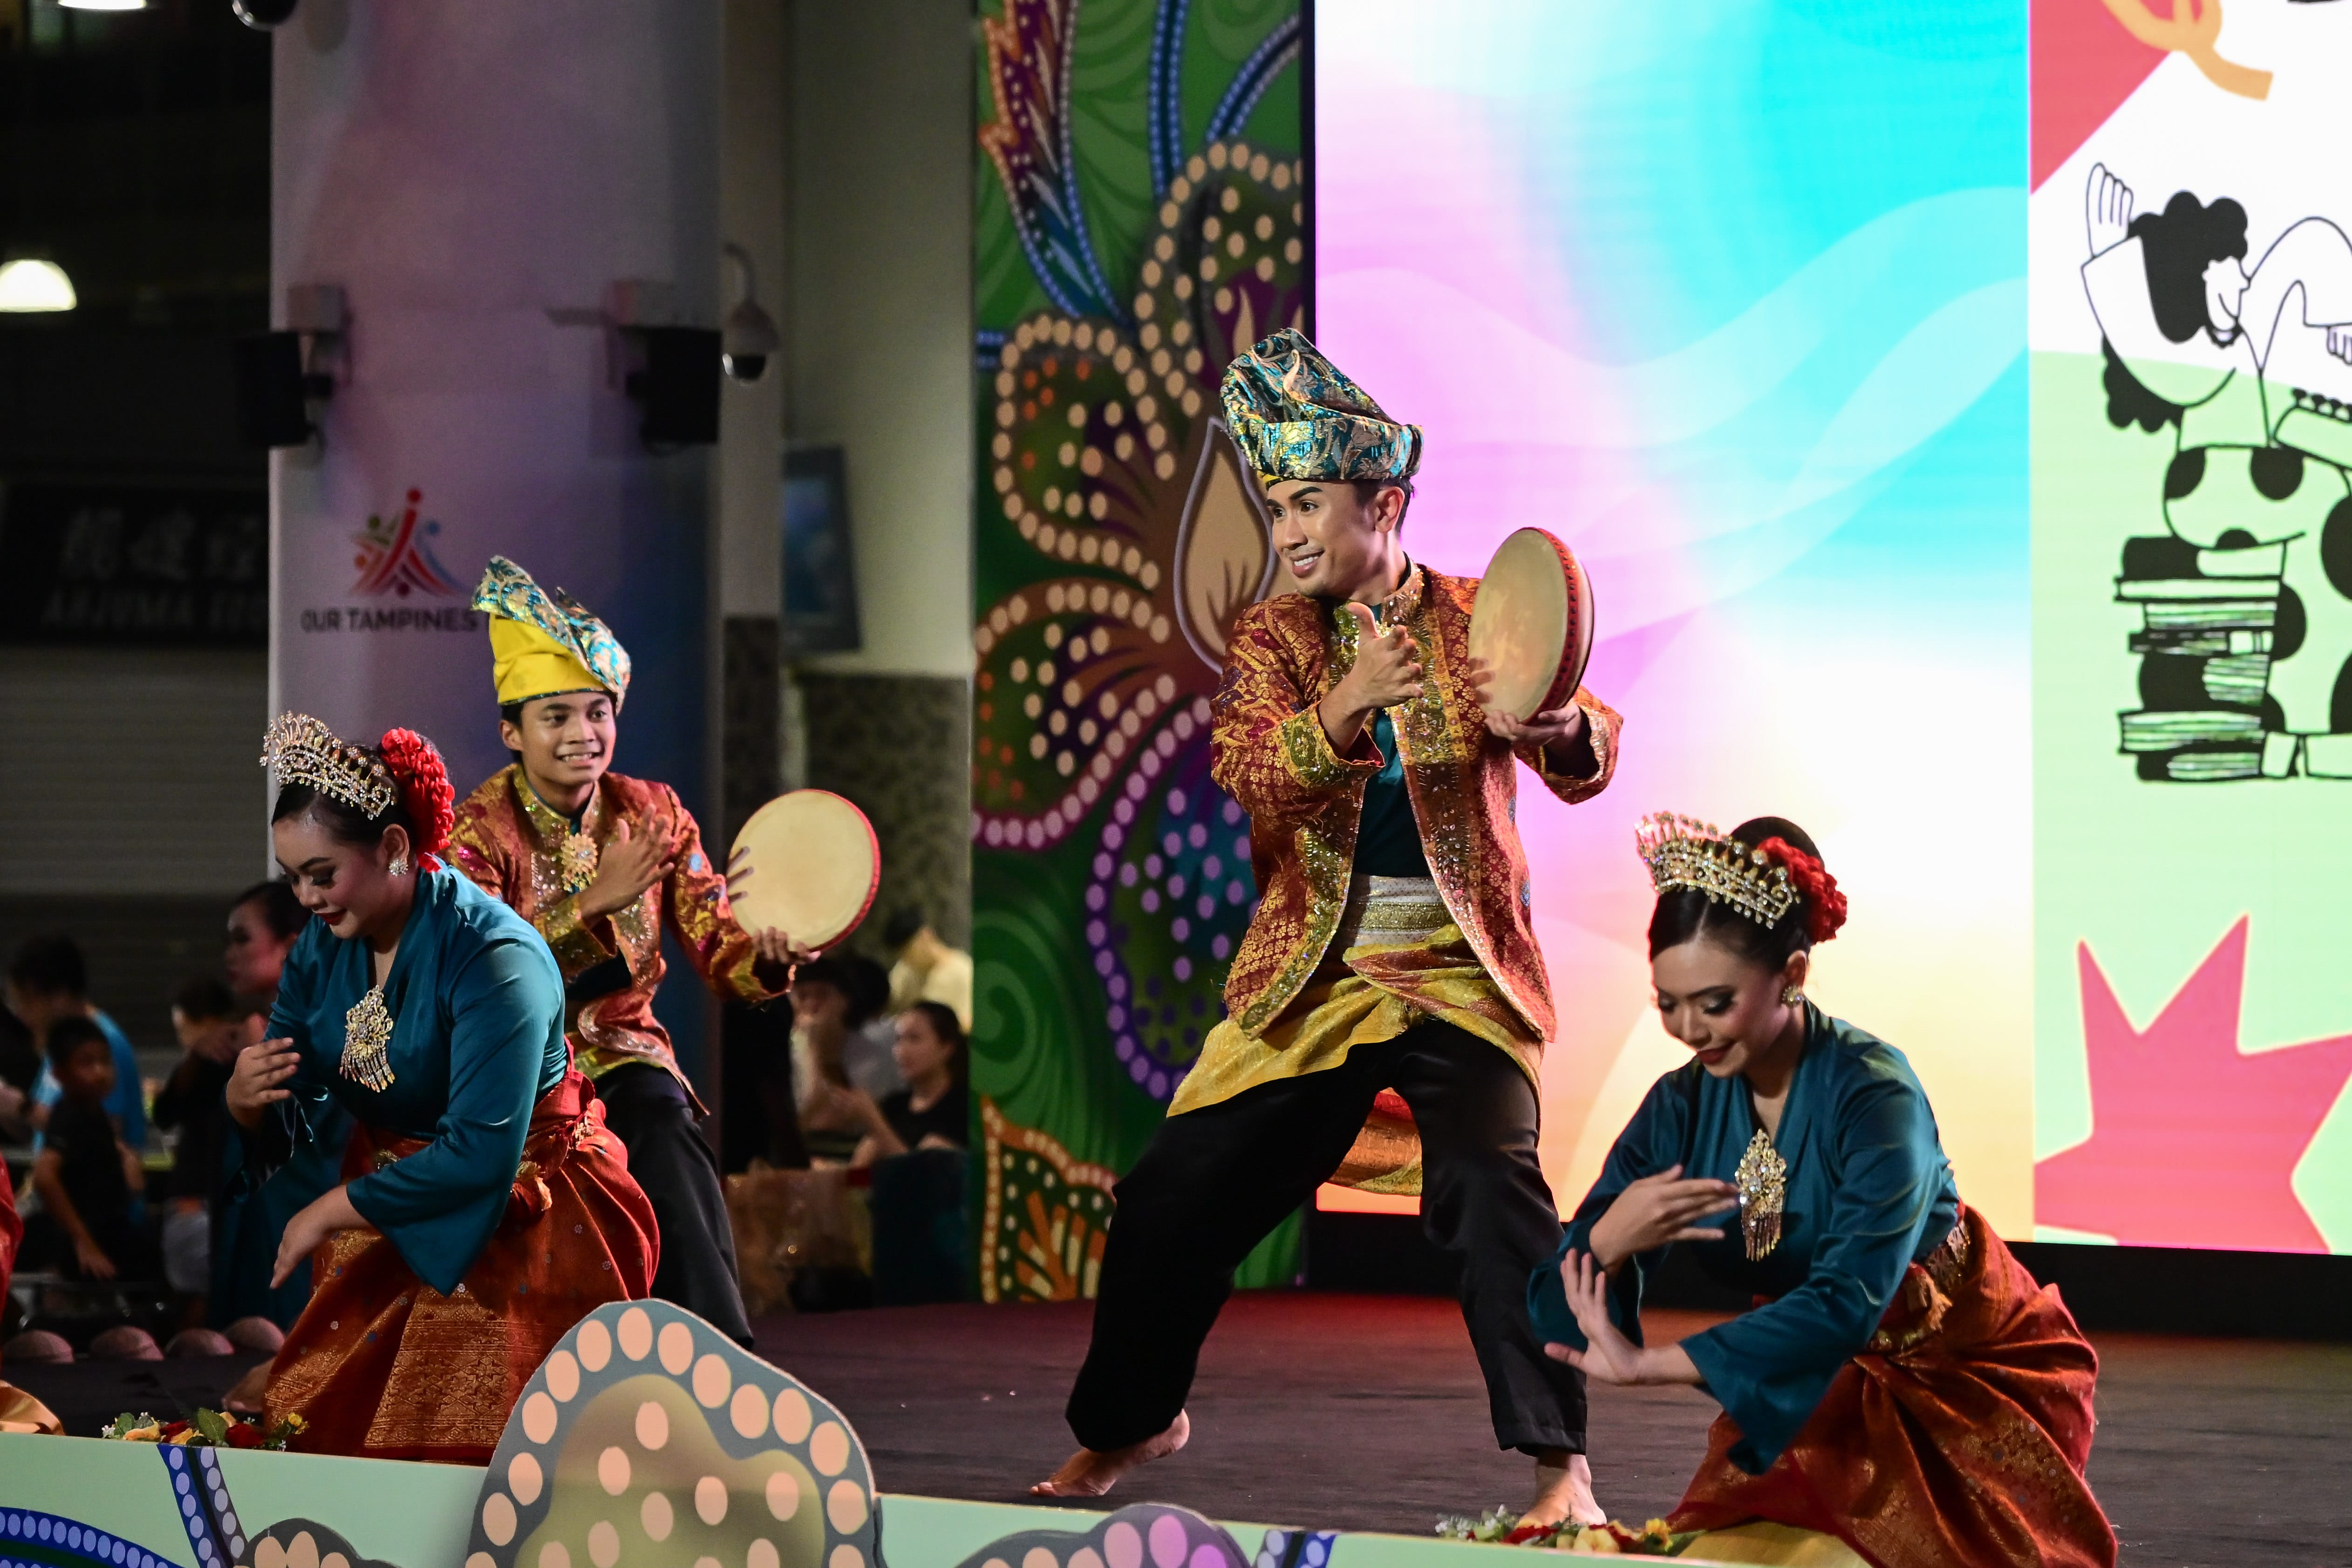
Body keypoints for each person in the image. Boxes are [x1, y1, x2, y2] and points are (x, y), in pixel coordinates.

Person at [1035, 328, 1624, 1526]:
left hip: (1460, 974)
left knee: (1492, 1189)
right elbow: (1251, 773)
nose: (1289, 531)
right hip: (1318, 975)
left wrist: (1563, 731)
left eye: (1308, 503)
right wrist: (1347, 705)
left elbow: (1587, 734)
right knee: (1170, 1198)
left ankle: (1560, 1469)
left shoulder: (1478, 615)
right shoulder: (1276, 638)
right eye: (1277, 509)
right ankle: (1132, 1419)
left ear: (1383, 503)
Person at [1529, 814, 2115, 1568]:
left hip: (1955, 1383)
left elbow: (1845, 1302)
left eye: (1715, 1002)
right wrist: (1609, 1240)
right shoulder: (1680, 1107)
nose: (1689, 1029)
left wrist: (1652, 1364)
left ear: (1793, 974)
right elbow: (1551, 1313)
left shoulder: (1873, 1094)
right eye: (1667, 1003)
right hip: (1811, 1391)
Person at [229, 713, 657, 1461]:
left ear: (395, 847)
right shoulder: (322, 946)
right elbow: (296, 1088)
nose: (307, 898)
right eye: (292, 877)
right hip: (393, 1194)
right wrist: (246, 1096)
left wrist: (330, 1209)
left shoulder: (496, 958)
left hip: (524, 1208)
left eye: (322, 874)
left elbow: (480, 1157)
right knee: (331, 1430)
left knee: (478, 1451)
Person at [446, 557, 798, 1348]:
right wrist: (588, 906)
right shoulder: (478, 832)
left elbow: (720, 947)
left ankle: (716, 1351)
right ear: (512, 732)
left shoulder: (653, 812)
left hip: (621, 1052)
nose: (583, 734)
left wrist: (769, 961)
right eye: (557, 716)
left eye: (598, 712)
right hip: (514, 1069)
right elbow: (477, 980)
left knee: (663, 1125)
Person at [211, 879, 345, 1336]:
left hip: (301, 1233)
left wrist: (263, 1066)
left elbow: (314, 1140)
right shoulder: (256, 1031)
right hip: (251, 1232)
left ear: (290, 946)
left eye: (242, 939)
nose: (230, 955)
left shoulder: (330, 1025)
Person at [152, 975, 258, 1319]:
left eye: (183, 1029)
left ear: (206, 1022)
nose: (182, 1039)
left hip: (200, 1202)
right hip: (219, 1202)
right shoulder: (214, 1061)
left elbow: (164, 1114)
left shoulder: (217, 1061)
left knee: (198, 1305)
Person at [23, 1016, 157, 1283]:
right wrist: (83, 1241)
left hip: (110, 1231)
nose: (100, 1072)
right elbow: (44, 1176)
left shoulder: (95, 1114)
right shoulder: (69, 1115)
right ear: (60, 1074)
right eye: (86, 1063)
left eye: (105, 1061)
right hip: (85, 1244)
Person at [7, 934, 146, 1150]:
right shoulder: (61, 1042)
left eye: (27, 1001)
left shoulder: (101, 1044)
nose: (21, 1014)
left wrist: (24, 1107)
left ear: (59, 997)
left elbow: (102, 1139)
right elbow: (38, 1131)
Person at [846, 1001, 969, 1166]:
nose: (902, 1051)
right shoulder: (894, 1105)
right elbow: (858, 1175)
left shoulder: (964, 1107)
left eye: (914, 1039)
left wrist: (875, 1121)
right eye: (899, 1040)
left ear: (947, 1048)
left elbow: (924, 1176)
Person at [883, 907, 974, 1032]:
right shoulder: (905, 970)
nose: (907, 960)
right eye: (902, 955)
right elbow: (888, 1003)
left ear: (925, 936)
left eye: (909, 952)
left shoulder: (962, 971)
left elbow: (968, 1022)